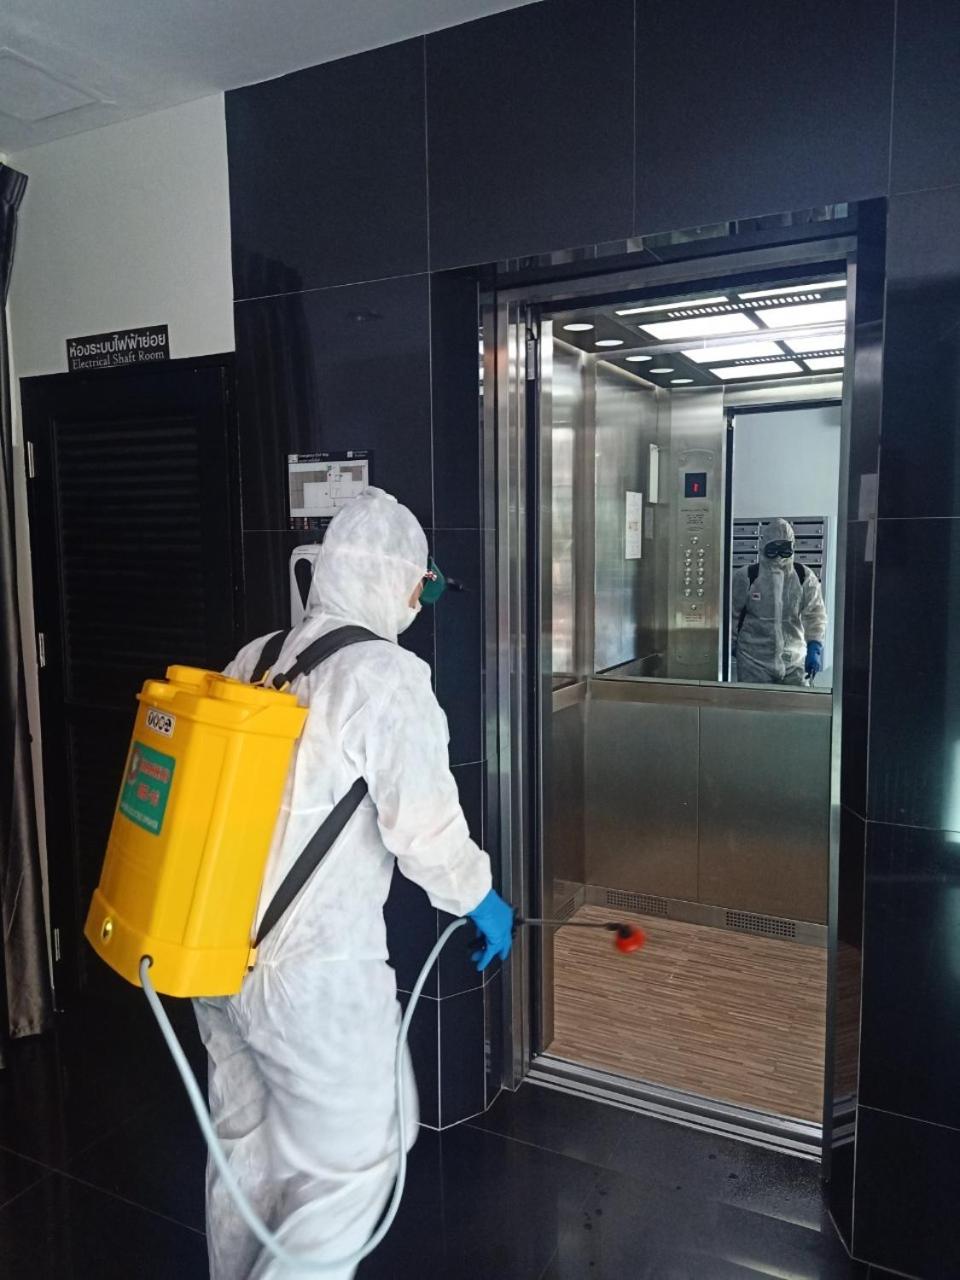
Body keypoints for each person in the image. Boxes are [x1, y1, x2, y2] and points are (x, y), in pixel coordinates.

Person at [194, 487, 514, 1280]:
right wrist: (481, 900)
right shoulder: (384, 676)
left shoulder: (259, 657)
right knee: (358, 1164)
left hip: (215, 956)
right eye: (419, 587)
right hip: (311, 982)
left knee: (248, 1153)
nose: (417, 603)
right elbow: (425, 830)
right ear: (392, 578)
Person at [731, 517, 828, 686]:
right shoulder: (746, 576)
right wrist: (730, 645)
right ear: (763, 546)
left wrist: (815, 646)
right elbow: (732, 614)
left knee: (795, 702)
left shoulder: (804, 576)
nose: (778, 555)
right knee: (754, 703)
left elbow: (815, 615)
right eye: (773, 549)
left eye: (784, 549)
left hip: (794, 661)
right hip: (753, 660)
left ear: (792, 547)